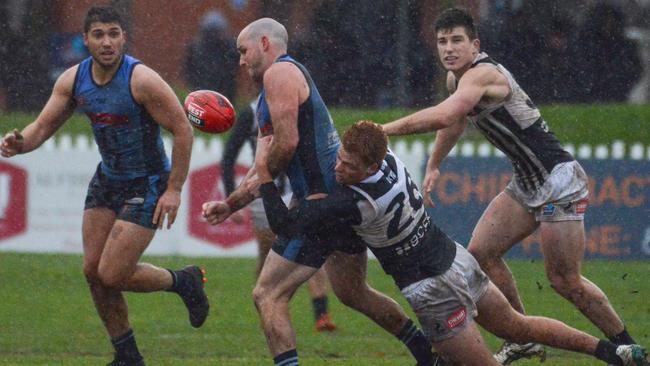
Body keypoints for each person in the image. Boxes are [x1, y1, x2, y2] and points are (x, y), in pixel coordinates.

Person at [255, 120, 650, 366]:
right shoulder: (386, 156)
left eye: (348, 166)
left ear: (371, 167)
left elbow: (285, 223)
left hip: (432, 289)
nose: (338, 168)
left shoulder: (353, 201)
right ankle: (609, 352)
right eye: (338, 159)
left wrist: (264, 175)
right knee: (517, 325)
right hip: (455, 258)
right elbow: (366, 138)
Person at [381, 7, 640, 364]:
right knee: (480, 254)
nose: (448, 49)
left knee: (564, 281)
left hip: (558, 180)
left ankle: (626, 346)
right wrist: (435, 164)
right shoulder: (457, 81)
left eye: (457, 40)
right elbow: (453, 123)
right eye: (442, 41)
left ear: (476, 45)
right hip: (526, 181)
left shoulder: (483, 74)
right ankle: (522, 336)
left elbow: (445, 114)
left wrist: (383, 130)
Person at [202, 18, 438, 366]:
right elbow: (263, 162)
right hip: (340, 199)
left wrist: (268, 181)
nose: (240, 60)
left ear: (265, 43)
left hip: (322, 202)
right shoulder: (273, 88)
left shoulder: (278, 75)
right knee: (353, 293)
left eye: (243, 51)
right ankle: (427, 354)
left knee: (267, 293)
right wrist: (230, 203)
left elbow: (285, 145)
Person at [0, 6, 208, 366]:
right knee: (92, 272)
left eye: (114, 33)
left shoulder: (142, 80)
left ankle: (183, 281)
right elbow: (40, 128)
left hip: (148, 182)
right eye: (99, 34)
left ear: (124, 37)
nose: (107, 42)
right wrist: (20, 143)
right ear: (86, 40)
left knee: (111, 273)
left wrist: (174, 189)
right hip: (107, 180)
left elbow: (183, 130)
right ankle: (127, 356)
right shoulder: (73, 80)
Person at [221, 99, 337, 332]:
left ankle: (321, 315)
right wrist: (231, 199)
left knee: (309, 247)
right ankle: (267, 308)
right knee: (268, 255)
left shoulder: (296, 109)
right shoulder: (251, 113)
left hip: (296, 190)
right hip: (263, 195)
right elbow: (228, 156)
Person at [183, 10, 239, 100]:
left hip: (222, 93)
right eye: (213, 32)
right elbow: (189, 70)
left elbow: (234, 68)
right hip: (203, 92)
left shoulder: (228, 47)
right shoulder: (197, 47)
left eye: (217, 32)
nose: (215, 35)